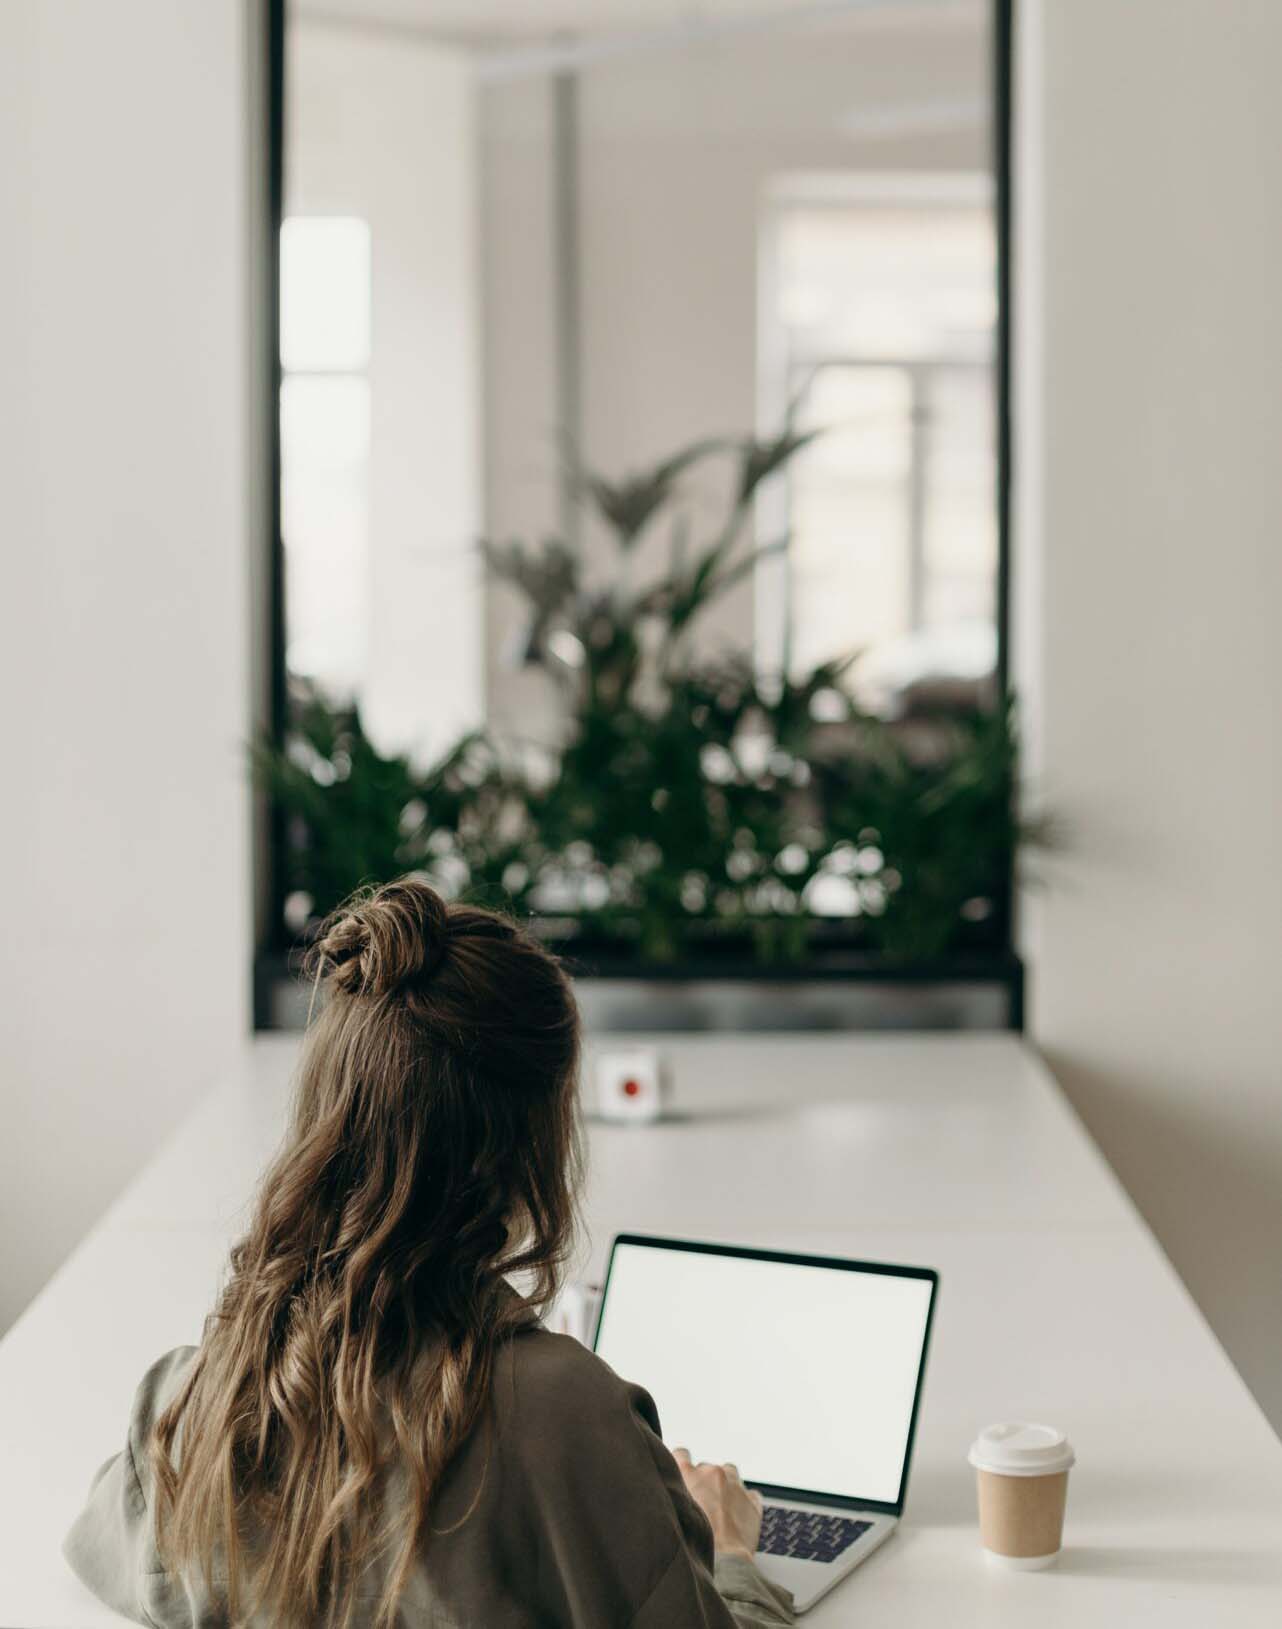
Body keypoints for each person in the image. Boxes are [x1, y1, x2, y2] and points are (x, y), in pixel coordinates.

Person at [65, 879, 794, 1628]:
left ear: (325, 1119)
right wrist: (733, 1552)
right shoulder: (566, 1418)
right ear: (532, 1148)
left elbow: (109, 1547)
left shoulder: (195, 1400)